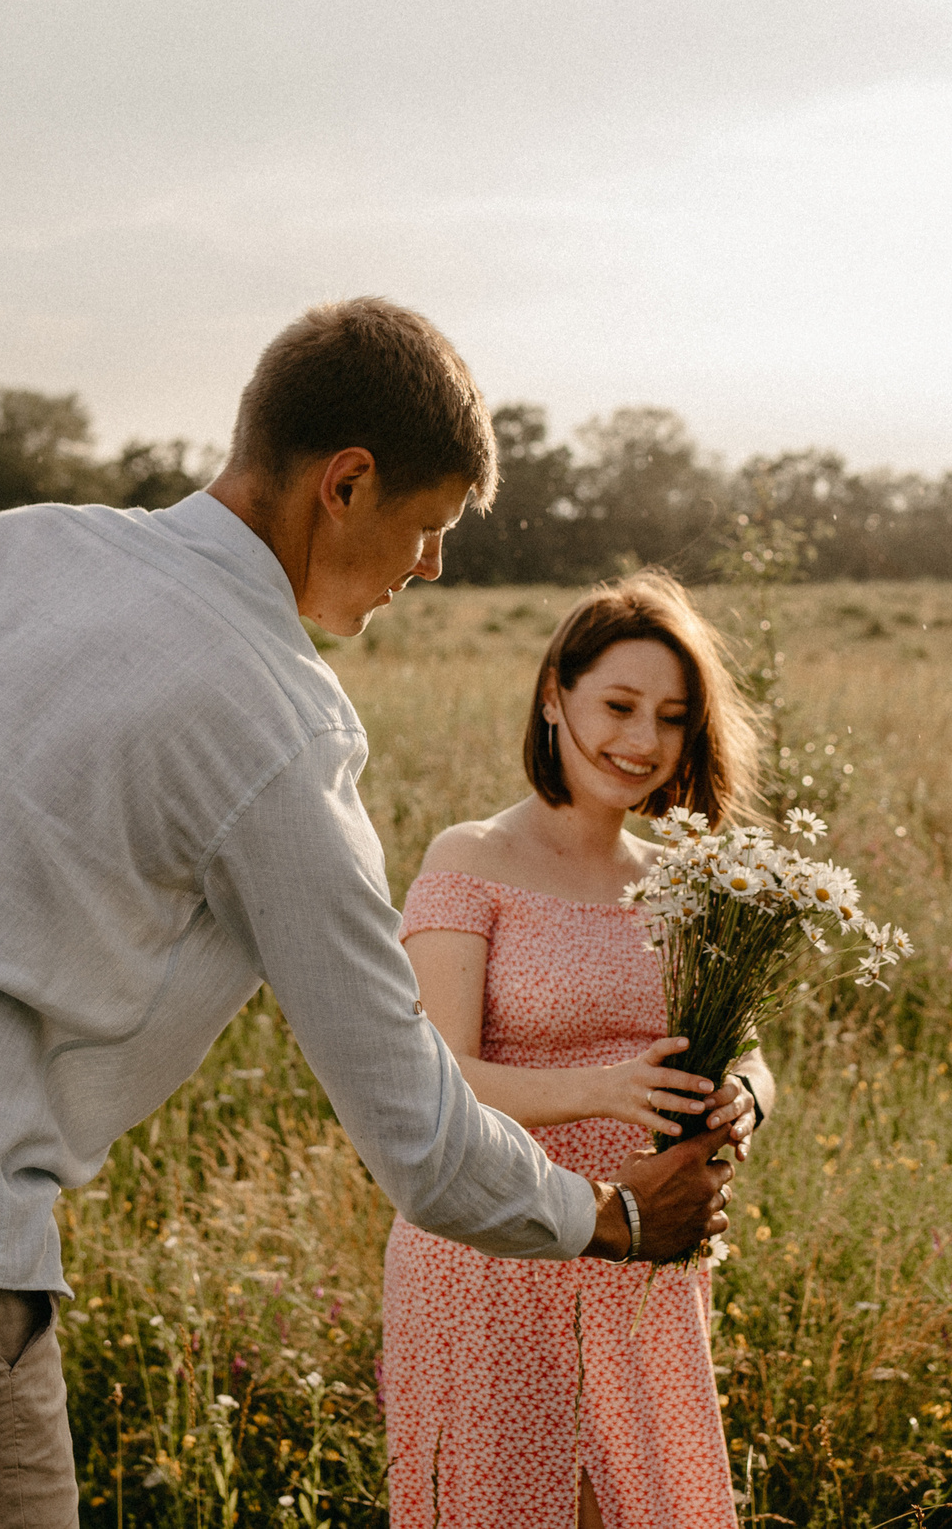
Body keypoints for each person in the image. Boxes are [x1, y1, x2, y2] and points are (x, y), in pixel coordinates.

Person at [0, 298, 739, 1528]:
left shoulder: (6, 550)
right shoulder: (272, 716)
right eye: (430, 526)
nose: (432, 567)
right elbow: (412, 1124)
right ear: (345, 484)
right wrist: (612, 1216)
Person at [381, 570, 775, 1529]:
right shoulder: (468, 859)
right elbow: (438, 1081)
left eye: (672, 717)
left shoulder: (685, 881)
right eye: (620, 704)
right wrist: (606, 1087)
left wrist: (744, 1097)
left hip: (648, 1262)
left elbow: (754, 1053)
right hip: (497, 1244)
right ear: (555, 694)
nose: (641, 740)